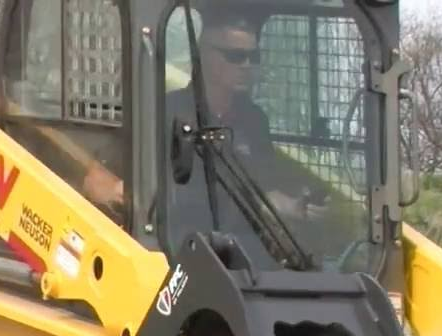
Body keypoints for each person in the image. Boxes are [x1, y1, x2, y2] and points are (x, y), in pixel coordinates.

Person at [81, 5, 328, 226]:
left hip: (235, 248)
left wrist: (295, 207)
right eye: (235, 56)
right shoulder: (162, 112)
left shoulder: (254, 121)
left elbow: (263, 192)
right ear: (204, 56)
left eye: (253, 57)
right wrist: (122, 192)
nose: (246, 66)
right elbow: (95, 179)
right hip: (172, 245)